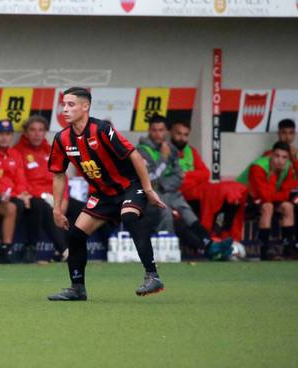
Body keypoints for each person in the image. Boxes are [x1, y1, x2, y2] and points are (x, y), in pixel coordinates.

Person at [47, 87, 166, 301]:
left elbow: (135, 156)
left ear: (86, 107)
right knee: (75, 235)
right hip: (102, 194)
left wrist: (148, 190)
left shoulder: (101, 129)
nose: (65, 109)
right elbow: (58, 174)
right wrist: (56, 208)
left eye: (71, 105)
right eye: (63, 104)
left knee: (129, 216)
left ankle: (152, 275)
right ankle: (77, 289)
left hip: (129, 186)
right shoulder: (62, 139)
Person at [139, 116, 232, 258]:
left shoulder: (171, 149)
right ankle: (168, 254)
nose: (158, 134)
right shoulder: (142, 151)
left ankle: (210, 245)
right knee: (167, 215)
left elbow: (178, 176)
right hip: (151, 196)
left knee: (189, 215)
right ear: (149, 130)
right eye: (154, 130)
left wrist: (164, 184)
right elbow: (150, 180)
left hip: (170, 192)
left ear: (166, 132)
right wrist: (164, 159)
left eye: (161, 130)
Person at [170, 120, 247, 245]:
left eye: (185, 134)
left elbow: (205, 174)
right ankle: (212, 237)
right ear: (171, 132)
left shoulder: (191, 151)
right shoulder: (165, 151)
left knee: (231, 193)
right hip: (179, 195)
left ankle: (224, 235)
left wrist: (185, 176)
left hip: (197, 190)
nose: (182, 138)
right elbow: (171, 179)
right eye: (179, 133)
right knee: (216, 193)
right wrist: (187, 177)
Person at [13, 115, 68, 262]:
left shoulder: (51, 150)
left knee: (82, 207)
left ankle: (78, 247)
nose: (37, 134)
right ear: (25, 132)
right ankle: (61, 250)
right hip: (34, 197)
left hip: (55, 196)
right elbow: (20, 179)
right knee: (40, 205)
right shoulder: (18, 151)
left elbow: (62, 177)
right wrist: (43, 196)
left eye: (40, 130)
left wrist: (64, 199)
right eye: (32, 130)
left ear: (45, 132)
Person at [237, 142, 297, 260]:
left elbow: (286, 191)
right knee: (268, 206)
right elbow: (265, 196)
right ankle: (265, 250)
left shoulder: (288, 167)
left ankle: (288, 248)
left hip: (266, 197)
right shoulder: (258, 167)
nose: (280, 161)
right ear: (271, 155)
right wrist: (274, 175)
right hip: (243, 198)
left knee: (288, 207)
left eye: (284, 157)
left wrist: (280, 195)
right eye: (277, 156)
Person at [0, 119, 31, 262]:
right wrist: (9, 195)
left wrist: (23, 194)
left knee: (30, 204)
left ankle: (22, 248)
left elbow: (21, 179)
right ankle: (5, 248)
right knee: (15, 206)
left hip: (10, 196)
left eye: (8, 133)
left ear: (11, 135)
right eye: (1, 133)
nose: (4, 137)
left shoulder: (15, 154)